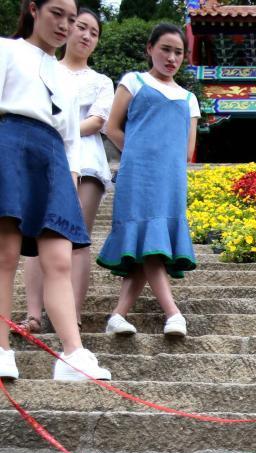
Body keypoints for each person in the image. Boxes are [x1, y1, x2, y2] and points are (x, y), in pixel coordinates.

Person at [0, 0, 111, 381]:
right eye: (57, 14)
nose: (65, 25)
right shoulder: (6, 49)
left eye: (71, 18)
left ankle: (73, 354)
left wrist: (72, 178)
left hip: (55, 162)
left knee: (60, 258)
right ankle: (1, 349)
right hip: (10, 145)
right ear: (33, 9)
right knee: (6, 254)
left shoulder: (65, 75)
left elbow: (70, 138)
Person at [97, 23, 199, 338]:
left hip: (170, 181)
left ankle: (117, 316)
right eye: (165, 49)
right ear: (150, 48)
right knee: (151, 246)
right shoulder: (134, 81)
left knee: (148, 244)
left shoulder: (188, 97)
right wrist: (138, 156)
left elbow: (188, 149)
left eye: (178, 52)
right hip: (137, 177)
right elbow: (111, 127)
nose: (171, 57)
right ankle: (173, 313)